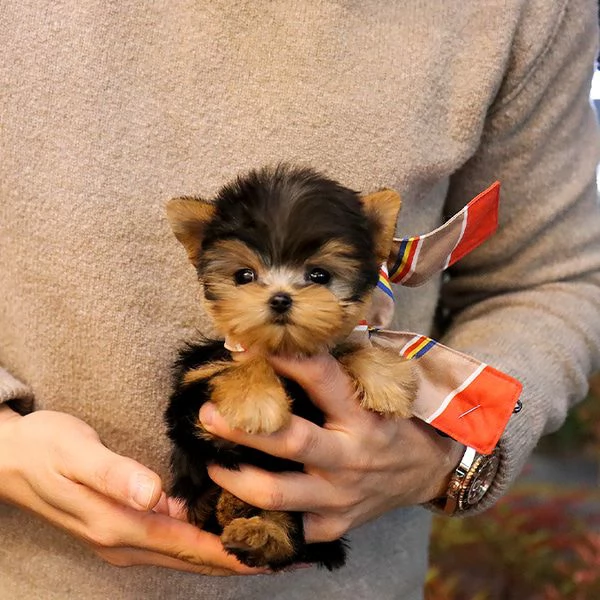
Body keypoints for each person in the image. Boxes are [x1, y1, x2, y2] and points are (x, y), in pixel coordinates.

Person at [0, 1, 599, 598]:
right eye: (247, 277)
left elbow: (557, 277)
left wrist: (445, 455)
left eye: (316, 276)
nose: (280, 296)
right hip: (28, 568)